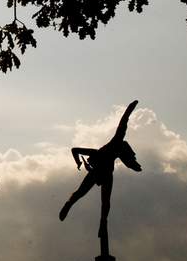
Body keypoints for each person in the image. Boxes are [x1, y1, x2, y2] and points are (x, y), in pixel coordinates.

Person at [59, 100, 142, 241]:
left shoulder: (112, 149)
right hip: (99, 172)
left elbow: (123, 123)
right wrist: (78, 161)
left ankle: (103, 222)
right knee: (82, 194)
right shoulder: (99, 152)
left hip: (104, 172)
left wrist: (129, 109)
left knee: (102, 201)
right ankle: (71, 205)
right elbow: (75, 150)